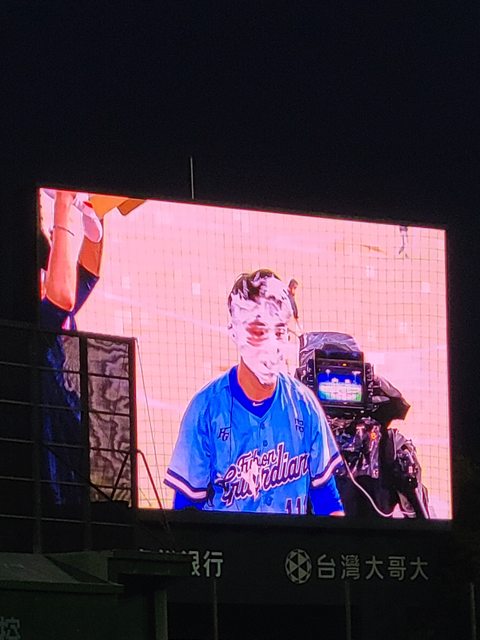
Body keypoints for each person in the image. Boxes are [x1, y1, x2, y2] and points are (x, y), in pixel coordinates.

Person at [165, 269, 344, 515]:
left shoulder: (305, 405)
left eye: (279, 332)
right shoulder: (205, 409)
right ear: (235, 332)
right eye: (259, 332)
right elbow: (185, 511)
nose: (272, 345)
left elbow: (328, 501)